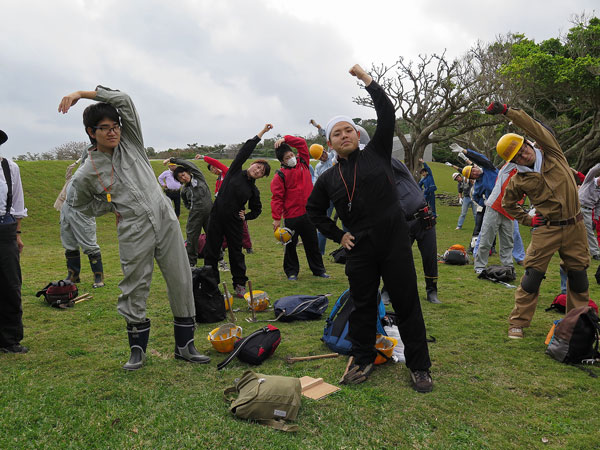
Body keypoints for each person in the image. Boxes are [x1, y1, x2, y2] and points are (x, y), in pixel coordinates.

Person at [59, 86, 209, 370]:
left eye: (115, 126)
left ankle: (186, 346)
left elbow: (123, 100)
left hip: (165, 217)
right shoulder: (86, 170)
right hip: (133, 228)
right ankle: (137, 351)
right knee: (134, 286)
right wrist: (111, 206)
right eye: (105, 129)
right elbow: (77, 203)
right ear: (92, 132)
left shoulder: (131, 142)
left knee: (181, 278)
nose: (113, 132)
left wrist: (82, 93)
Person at [307, 64, 432, 392]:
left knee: (406, 304)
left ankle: (420, 366)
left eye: (348, 130)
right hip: (359, 248)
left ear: (357, 135)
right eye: (337, 133)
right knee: (363, 305)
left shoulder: (376, 153)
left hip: (394, 242)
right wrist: (339, 235)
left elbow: (387, 112)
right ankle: (362, 357)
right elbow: (314, 212)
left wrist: (367, 81)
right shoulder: (328, 178)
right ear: (330, 143)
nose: (345, 135)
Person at [486, 101, 590, 339]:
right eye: (517, 156)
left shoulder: (552, 153)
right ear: (513, 162)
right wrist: (527, 220)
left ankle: (576, 324)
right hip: (547, 229)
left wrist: (506, 111)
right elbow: (507, 204)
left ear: (527, 144)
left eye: (523, 149)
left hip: (575, 226)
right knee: (532, 277)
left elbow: (533, 127)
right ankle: (518, 323)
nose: (524, 155)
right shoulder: (518, 180)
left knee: (578, 277)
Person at [203, 124, 272, 298]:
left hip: (234, 222)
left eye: (261, 172)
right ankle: (211, 285)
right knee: (211, 251)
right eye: (257, 167)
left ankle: (240, 285)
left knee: (236, 254)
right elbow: (246, 150)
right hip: (216, 216)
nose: (257, 170)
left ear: (261, 177)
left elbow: (257, 209)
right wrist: (262, 133)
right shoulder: (234, 171)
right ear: (252, 165)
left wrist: (246, 216)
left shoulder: (253, 190)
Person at [271, 135, 328, 280]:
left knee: (312, 244)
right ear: (282, 162)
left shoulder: (303, 162)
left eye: (291, 155)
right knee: (290, 246)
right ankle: (291, 272)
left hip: (308, 214)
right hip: (291, 217)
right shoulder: (280, 176)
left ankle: (319, 270)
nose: (291, 158)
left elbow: (302, 143)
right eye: (286, 158)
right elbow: (277, 198)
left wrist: (285, 139)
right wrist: (277, 218)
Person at [390, 158, 441, 304]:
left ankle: (432, 291)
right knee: (397, 257)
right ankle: (388, 289)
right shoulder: (382, 185)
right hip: (403, 223)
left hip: (424, 220)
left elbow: (386, 157)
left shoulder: (403, 174)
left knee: (429, 257)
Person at [54, 158, 105, 287]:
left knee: (90, 244)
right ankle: (73, 275)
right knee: (69, 243)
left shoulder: (97, 174)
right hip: (66, 208)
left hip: (83, 211)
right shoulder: (78, 172)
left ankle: (98, 277)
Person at [0, 130, 28, 354]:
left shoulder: (10, 168)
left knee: (10, 284)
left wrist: (17, 233)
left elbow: (18, 203)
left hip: (5, 228)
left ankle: (10, 339)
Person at [195, 154, 254, 254]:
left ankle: (248, 247)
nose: (214, 170)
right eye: (212, 170)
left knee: (242, 225)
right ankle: (223, 246)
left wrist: (203, 157)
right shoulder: (218, 181)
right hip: (224, 207)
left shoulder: (227, 172)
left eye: (214, 167)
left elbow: (216, 162)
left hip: (236, 205)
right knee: (224, 227)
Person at [473, 161, 519, 274]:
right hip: (494, 206)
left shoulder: (525, 172)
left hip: (509, 209)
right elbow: (481, 158)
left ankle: (508, 265)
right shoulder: (506, 169)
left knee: (508, 240)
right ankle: (479, 266)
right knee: (486, 238)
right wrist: (465, 153)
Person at [165, 158, 213, 267]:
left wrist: (173, 160)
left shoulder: (200, 178)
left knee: (213, 236)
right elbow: (186, 203)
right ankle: (192, 264)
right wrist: (191, 208)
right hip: (195, 216)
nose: (183, 177)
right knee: (192, 238)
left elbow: (189, 164)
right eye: (180, 178)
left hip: (210, 213)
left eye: (183, 174)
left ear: (188, 173)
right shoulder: (184, 191)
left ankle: (219, 260)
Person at [310, 144, 336, 255]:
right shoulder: (318, 167)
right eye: (319, 157)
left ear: (325, 150)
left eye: (322, 154)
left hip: (342, 195)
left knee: (347, 223)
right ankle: (320, 252)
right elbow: (316, 183)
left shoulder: (335, 155)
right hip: (328, 198)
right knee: (323, 224)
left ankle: (350, 250)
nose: (322, 157)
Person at [577, 163, 600, 260]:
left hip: (587, 210)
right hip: (576, 206)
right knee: (566, 226)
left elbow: (598, 205)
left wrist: (596, 218)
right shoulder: (590, 180)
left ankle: (595, 253)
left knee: (588, 231)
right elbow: (593, 170)